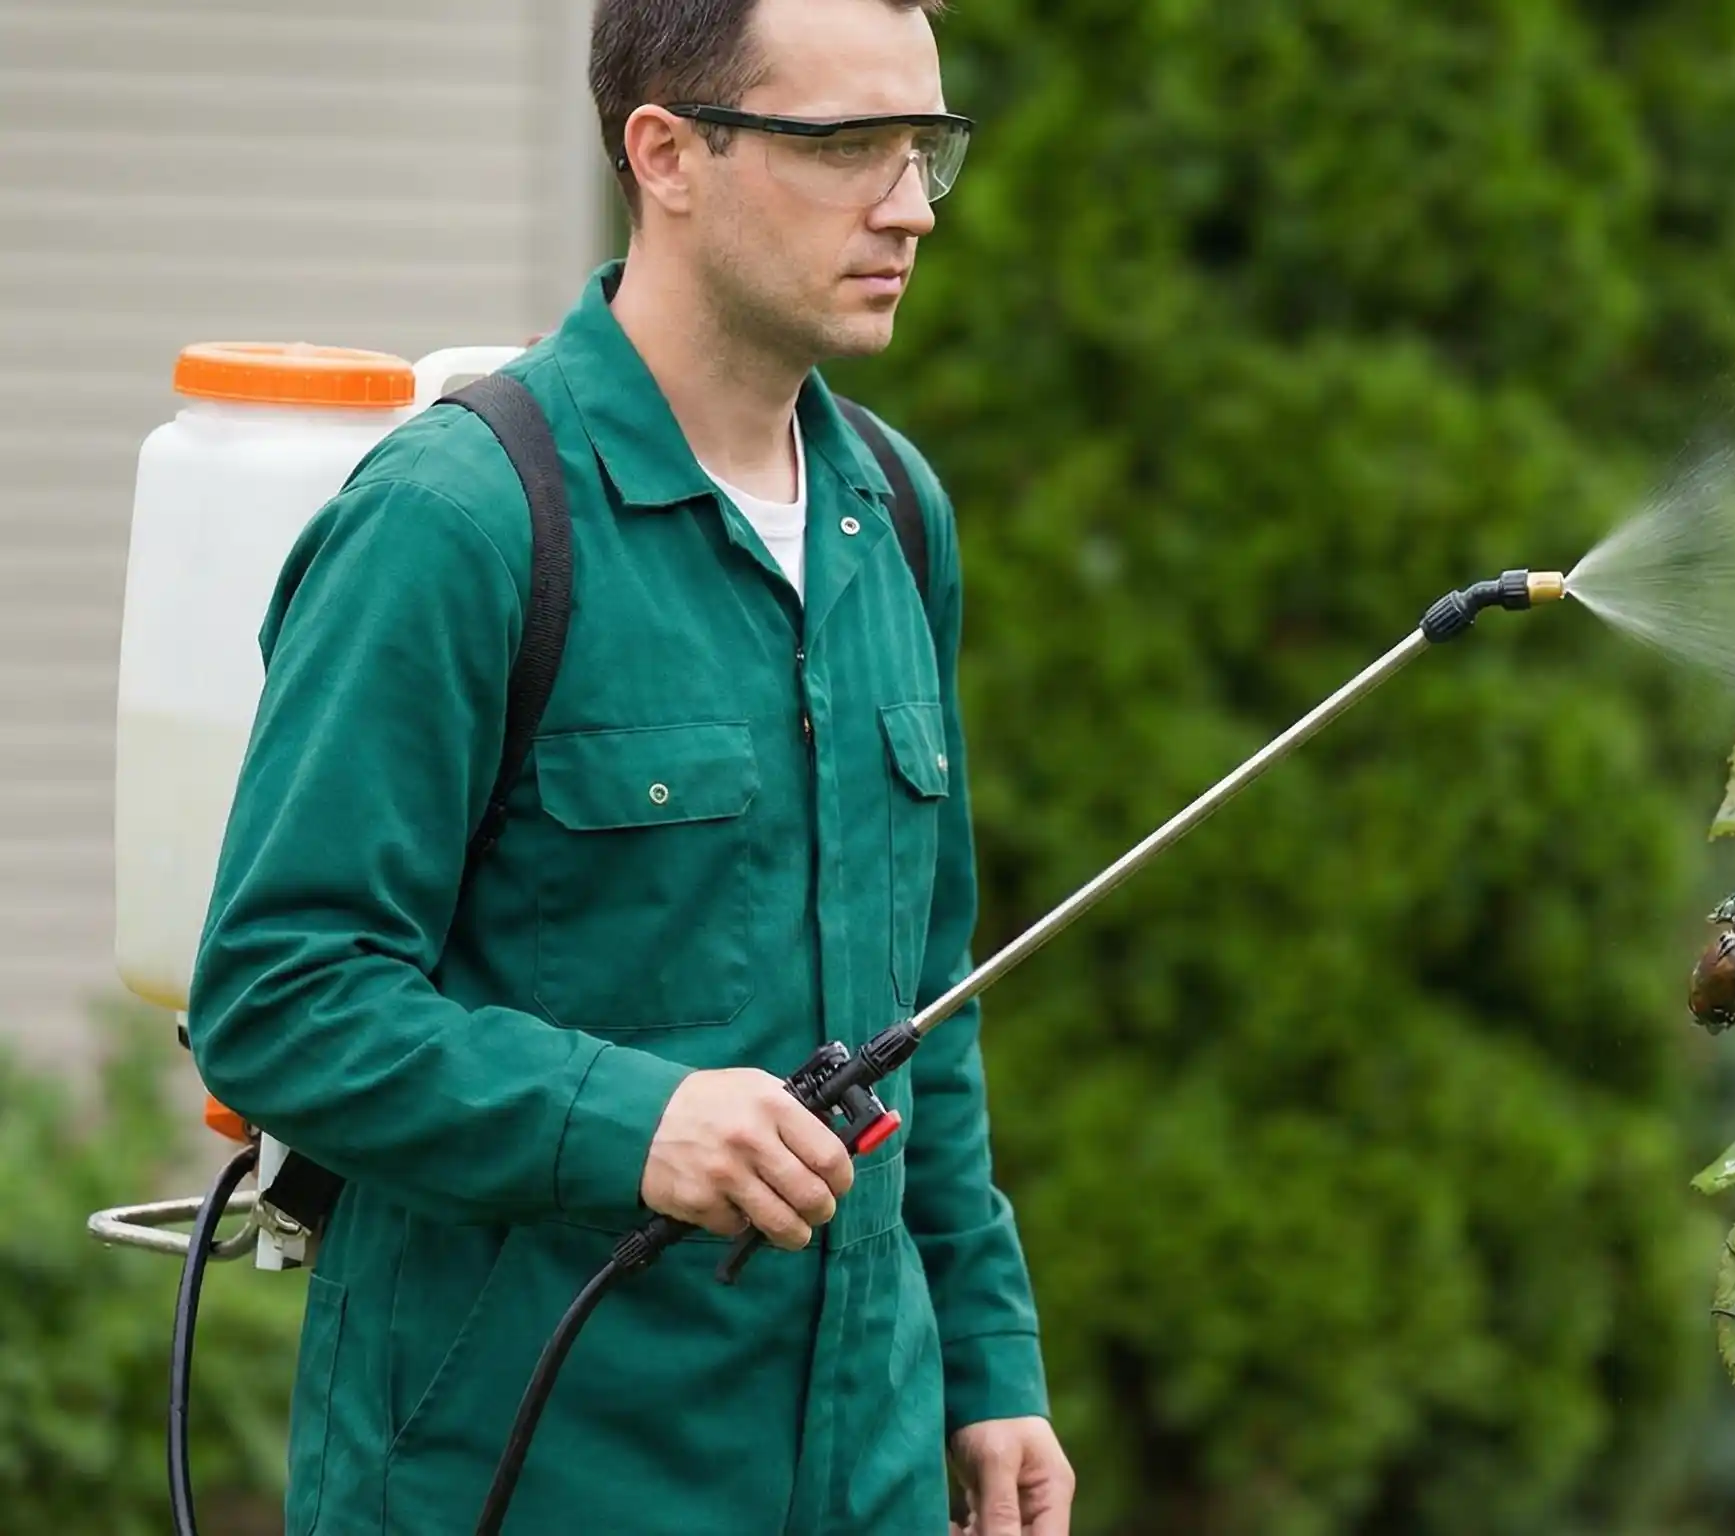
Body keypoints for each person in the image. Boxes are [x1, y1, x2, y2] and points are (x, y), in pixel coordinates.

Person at [183, 0, 1073, 1530]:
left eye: (928, 147)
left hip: (861, 1480)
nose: (911, 205)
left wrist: (988, 1364)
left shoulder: (897, 518)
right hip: (520, 1479)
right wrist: (636, 1123)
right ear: (665, 151)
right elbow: (276, 996)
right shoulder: (459, 520)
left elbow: (924, 1006)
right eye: (847, 144)